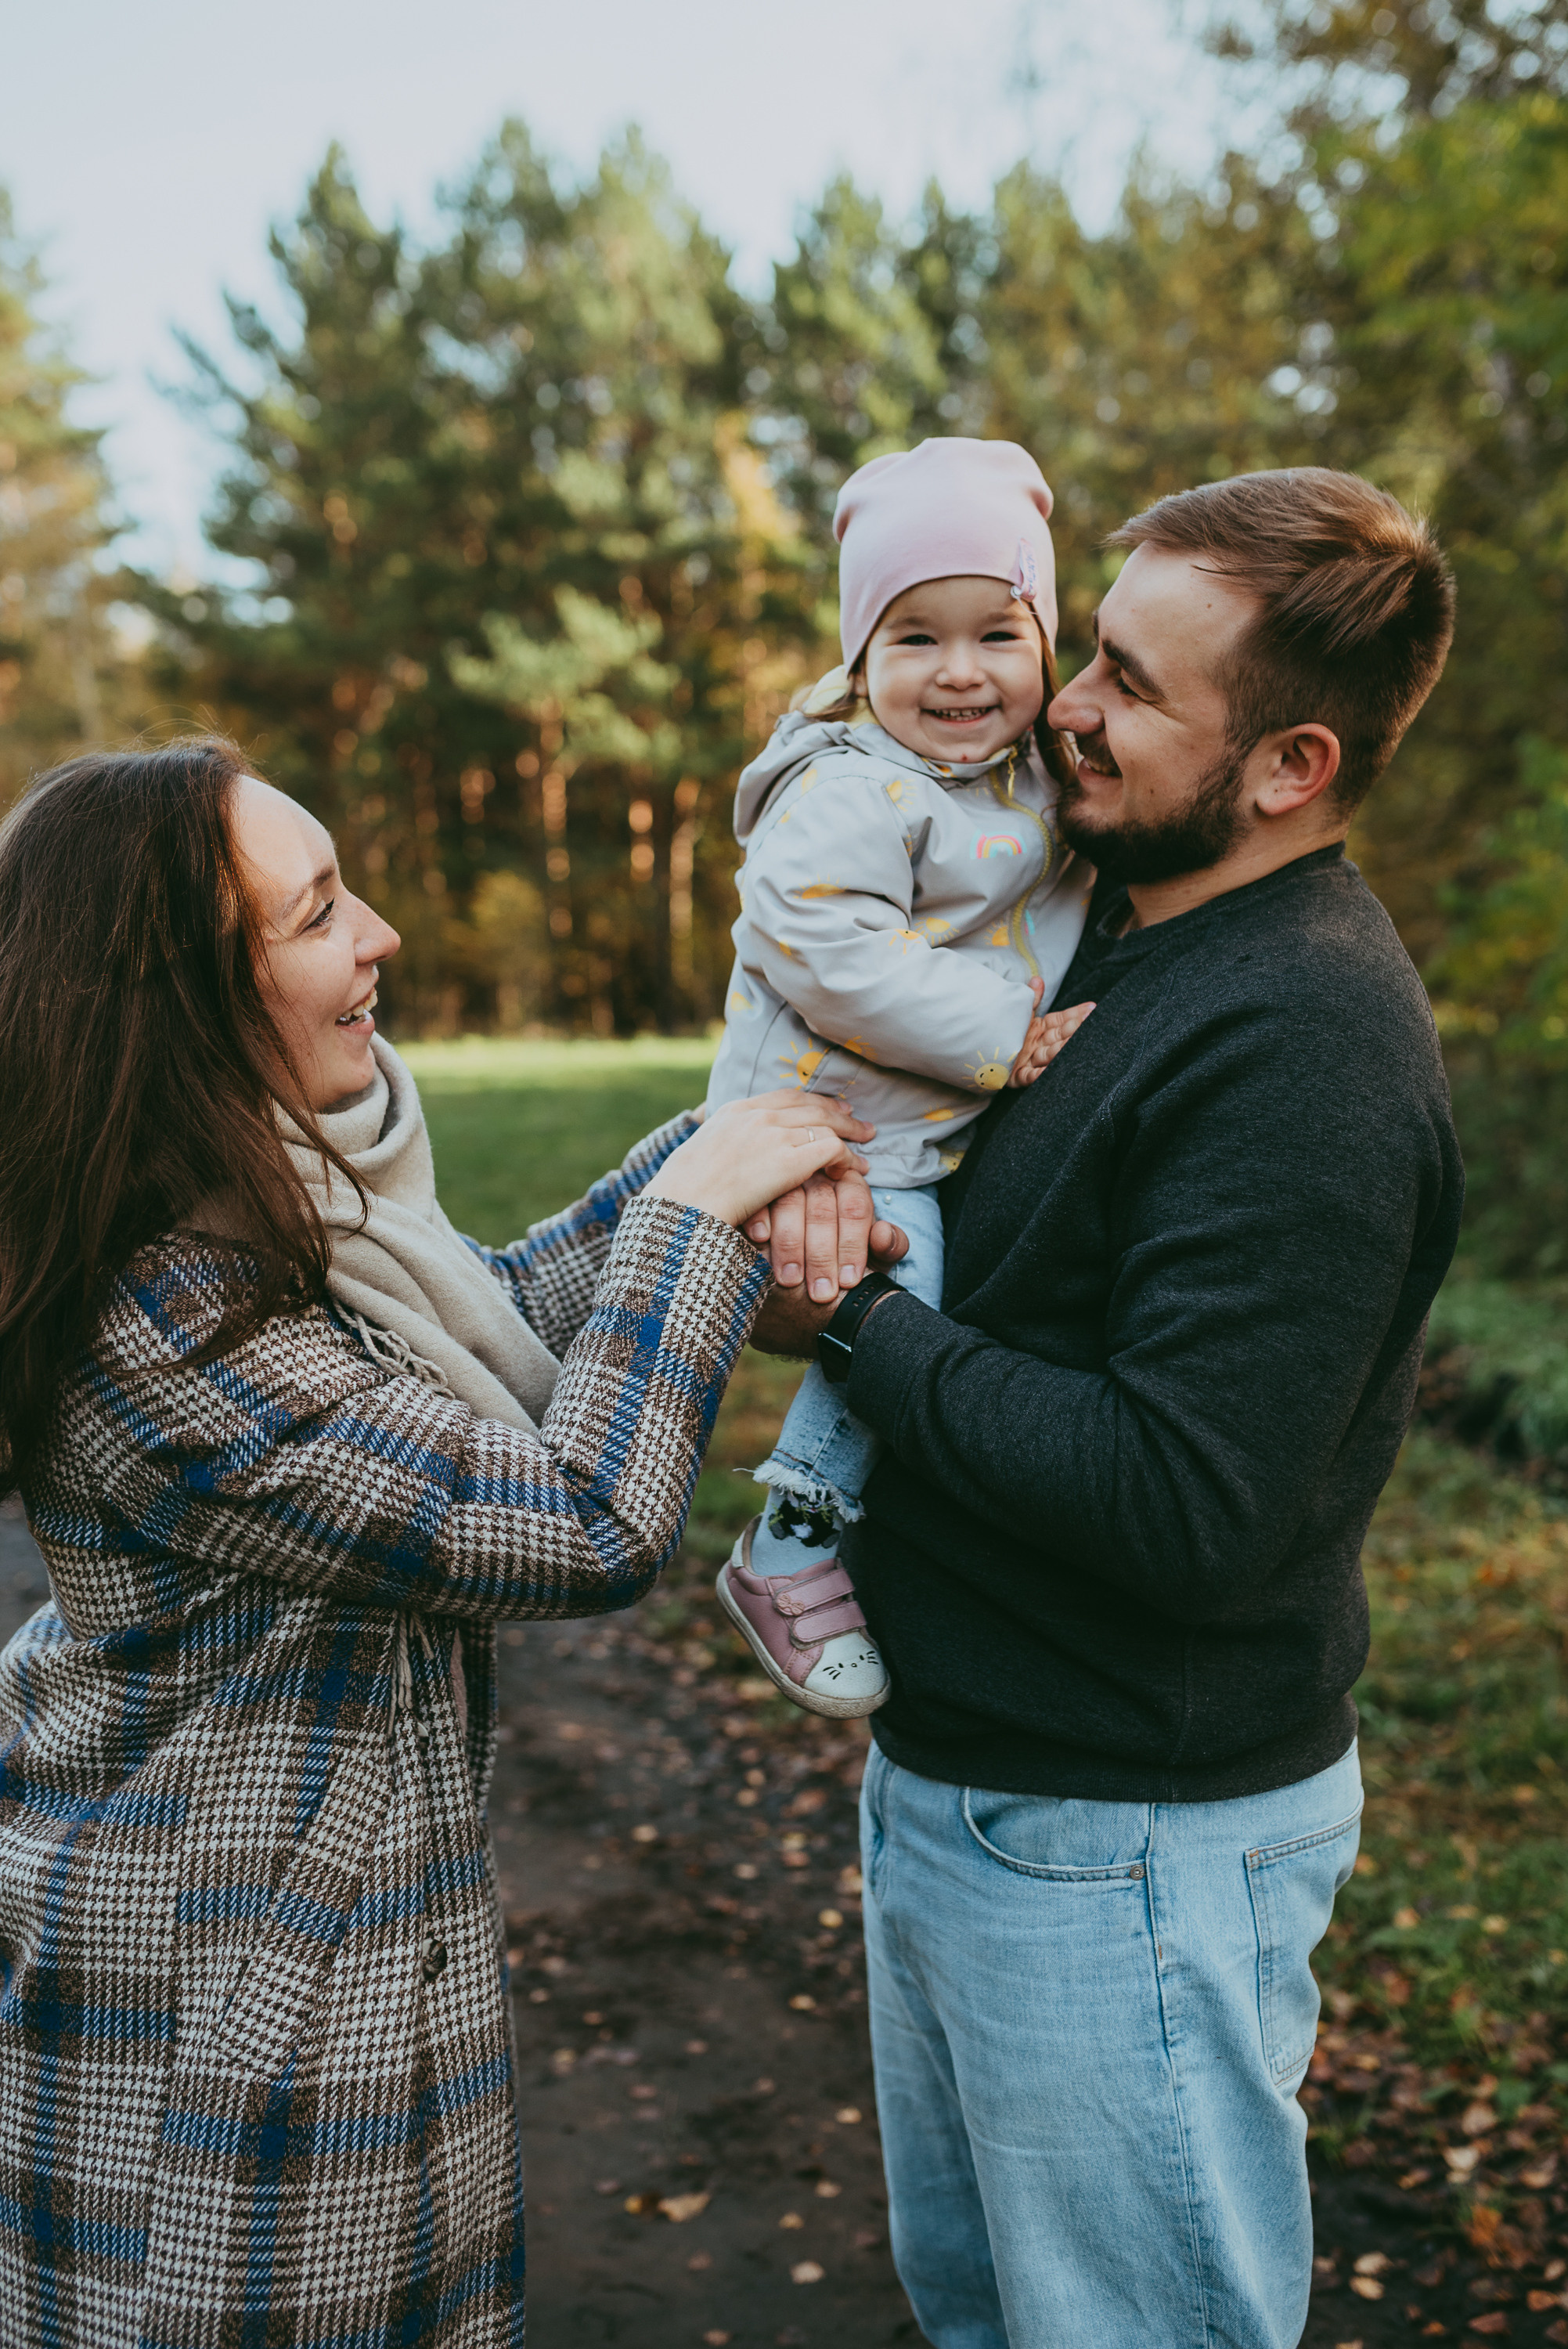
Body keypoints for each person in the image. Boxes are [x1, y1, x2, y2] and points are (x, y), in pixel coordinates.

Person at [0, 740, 881, 2349]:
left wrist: (730, 1149)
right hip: (225, 1997)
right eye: (322, 912)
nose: (384, 935)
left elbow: (484, 1345)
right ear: (185, 1002)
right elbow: (569, 1517)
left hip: (326, 1949)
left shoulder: (272, 1216)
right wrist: (690, 1219)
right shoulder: (162, 1312)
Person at [752, 467, 1465, 2348]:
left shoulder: (1301, 1038)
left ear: (1292, 765)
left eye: (1134, 685)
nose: (1063, 701)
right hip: (976, 1786)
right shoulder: (1117, 935)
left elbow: (1182, 1503)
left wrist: (856, 1320)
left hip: (1126, 1837)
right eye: (1091, 651)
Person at [707, 438, 1095, 1718]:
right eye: (914, 639)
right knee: (900, 1304)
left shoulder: (1027, 778)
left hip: (917, 1127)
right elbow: (822, 941)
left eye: (998, 632)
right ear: (860, 660)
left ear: (1047, 637)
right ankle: (792, 1542)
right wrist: (1004, 1033)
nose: (962, 673)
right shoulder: (851, 785)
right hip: (828, 1135)